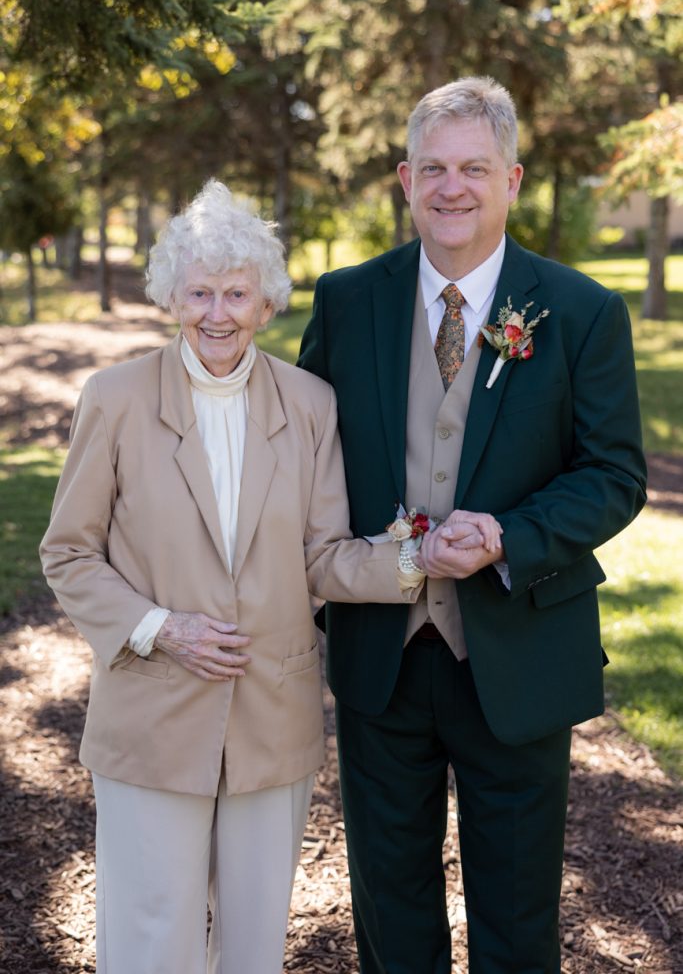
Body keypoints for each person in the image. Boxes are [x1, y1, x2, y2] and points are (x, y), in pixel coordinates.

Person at [39, 179, 499, 974]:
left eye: (236, 294)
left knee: (255, 946)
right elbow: (69, 552)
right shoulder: (113, 399)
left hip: (270, 711)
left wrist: (416, 561)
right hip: (151, 711)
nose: (217, 313)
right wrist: (162, 628)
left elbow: (323, 555)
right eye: (199, 293)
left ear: (265, 304)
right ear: (171, 298)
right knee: (151, 936)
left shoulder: (309, 403)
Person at [298, 76, 647, 974]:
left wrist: (507, 536)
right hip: (381, 652)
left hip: (519, 651)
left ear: (512, 180)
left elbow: (613, 476)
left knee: (517, 914)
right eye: (433, 168)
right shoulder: (345, 301)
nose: (451, 187)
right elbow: (305, 466)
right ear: (405, 181)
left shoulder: (581, 311)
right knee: (390, 908)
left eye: (474, 169)